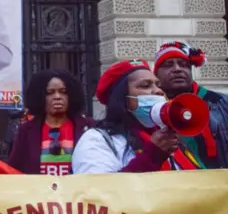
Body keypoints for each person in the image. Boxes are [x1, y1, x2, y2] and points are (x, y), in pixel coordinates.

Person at [72, 59, 205, 174]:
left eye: (158, 85)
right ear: (122, 97)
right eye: (145, 86)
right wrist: (153, 155)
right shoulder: (98, 140)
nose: (158, 91)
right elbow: (99, 193)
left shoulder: (169, 139)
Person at [153, 41, 228, 168]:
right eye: (168, 65)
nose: (177, 69)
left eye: (183, 64)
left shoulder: (222, 102)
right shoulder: (151, 110)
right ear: (156, 75)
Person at [7, 70, 94, 175]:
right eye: (50, 92)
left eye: (63, 92)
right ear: (41, 97)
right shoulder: (26, 130)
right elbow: (13, 169)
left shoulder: (89, 128)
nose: (57, 97)